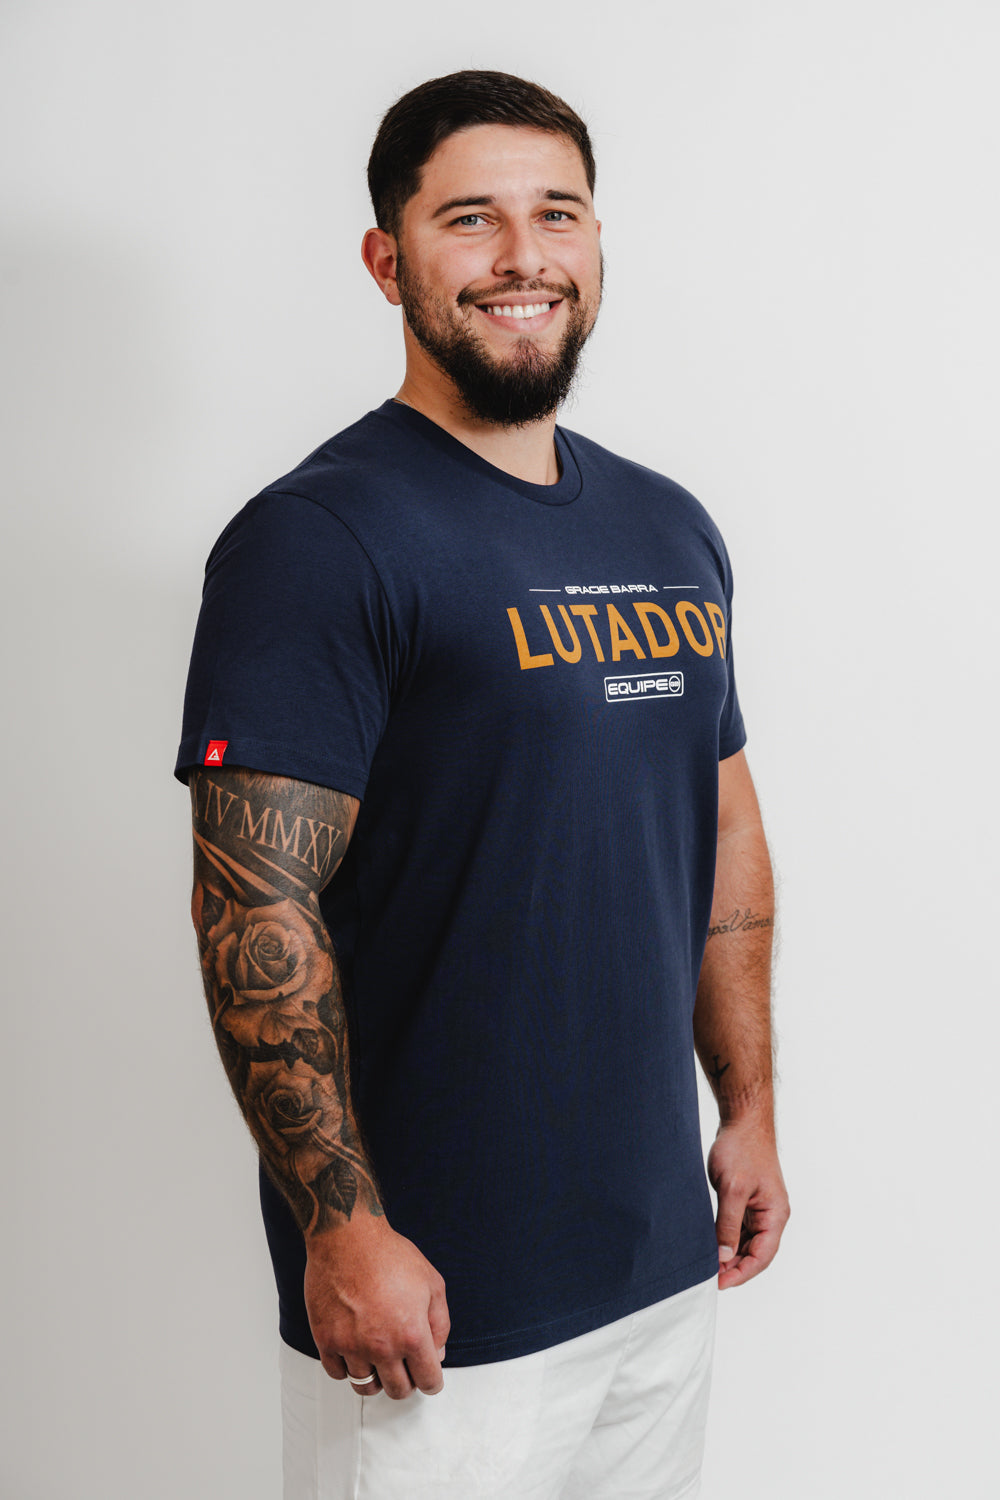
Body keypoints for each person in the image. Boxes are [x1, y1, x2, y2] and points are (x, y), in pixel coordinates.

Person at [177, 69, 789, 1500]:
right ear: (388, 258)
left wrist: (749, 1108)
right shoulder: (318, 538)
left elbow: (721, 826)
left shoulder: (669, 525)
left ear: (597, 242)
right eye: (471, 219)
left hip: (655, 1269)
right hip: (435, 1307)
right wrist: (341, 1229)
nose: (524, 256)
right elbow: (253, 905)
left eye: (557, 214)